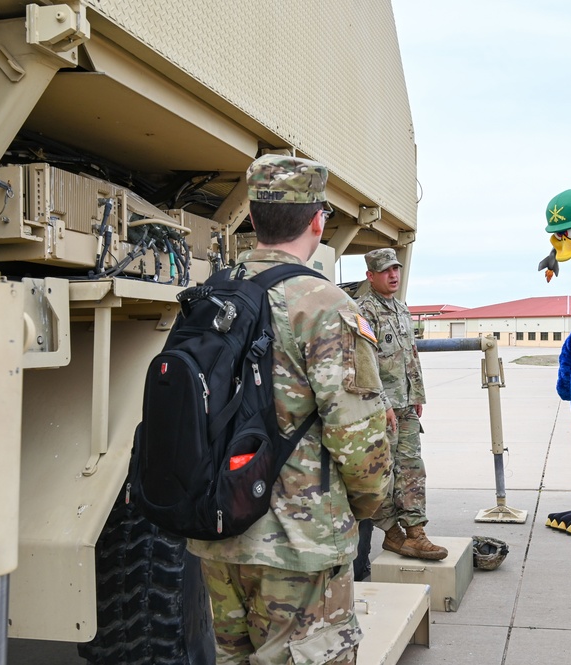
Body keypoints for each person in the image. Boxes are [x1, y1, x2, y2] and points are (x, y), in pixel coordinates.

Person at [187, 154, 390, 664]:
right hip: (301, 545)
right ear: (319, 220)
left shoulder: (211, 296)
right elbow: (358, 438)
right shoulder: (324, 305)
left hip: (219, 532)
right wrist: (363, 510)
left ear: (252, 218)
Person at [357, 247, 447, 561]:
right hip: (381, 409)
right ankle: (392, 533)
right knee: (382, 473)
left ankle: (416, 533)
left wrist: (417, 394)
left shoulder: (401, 309)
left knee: (412, 468)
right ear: (370, 276)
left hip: (406, 405)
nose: (393, 275)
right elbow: (364, 363)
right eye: (385, 271)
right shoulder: (364, 312)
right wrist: (384, 405)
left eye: (395, 268)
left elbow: (411, 354)